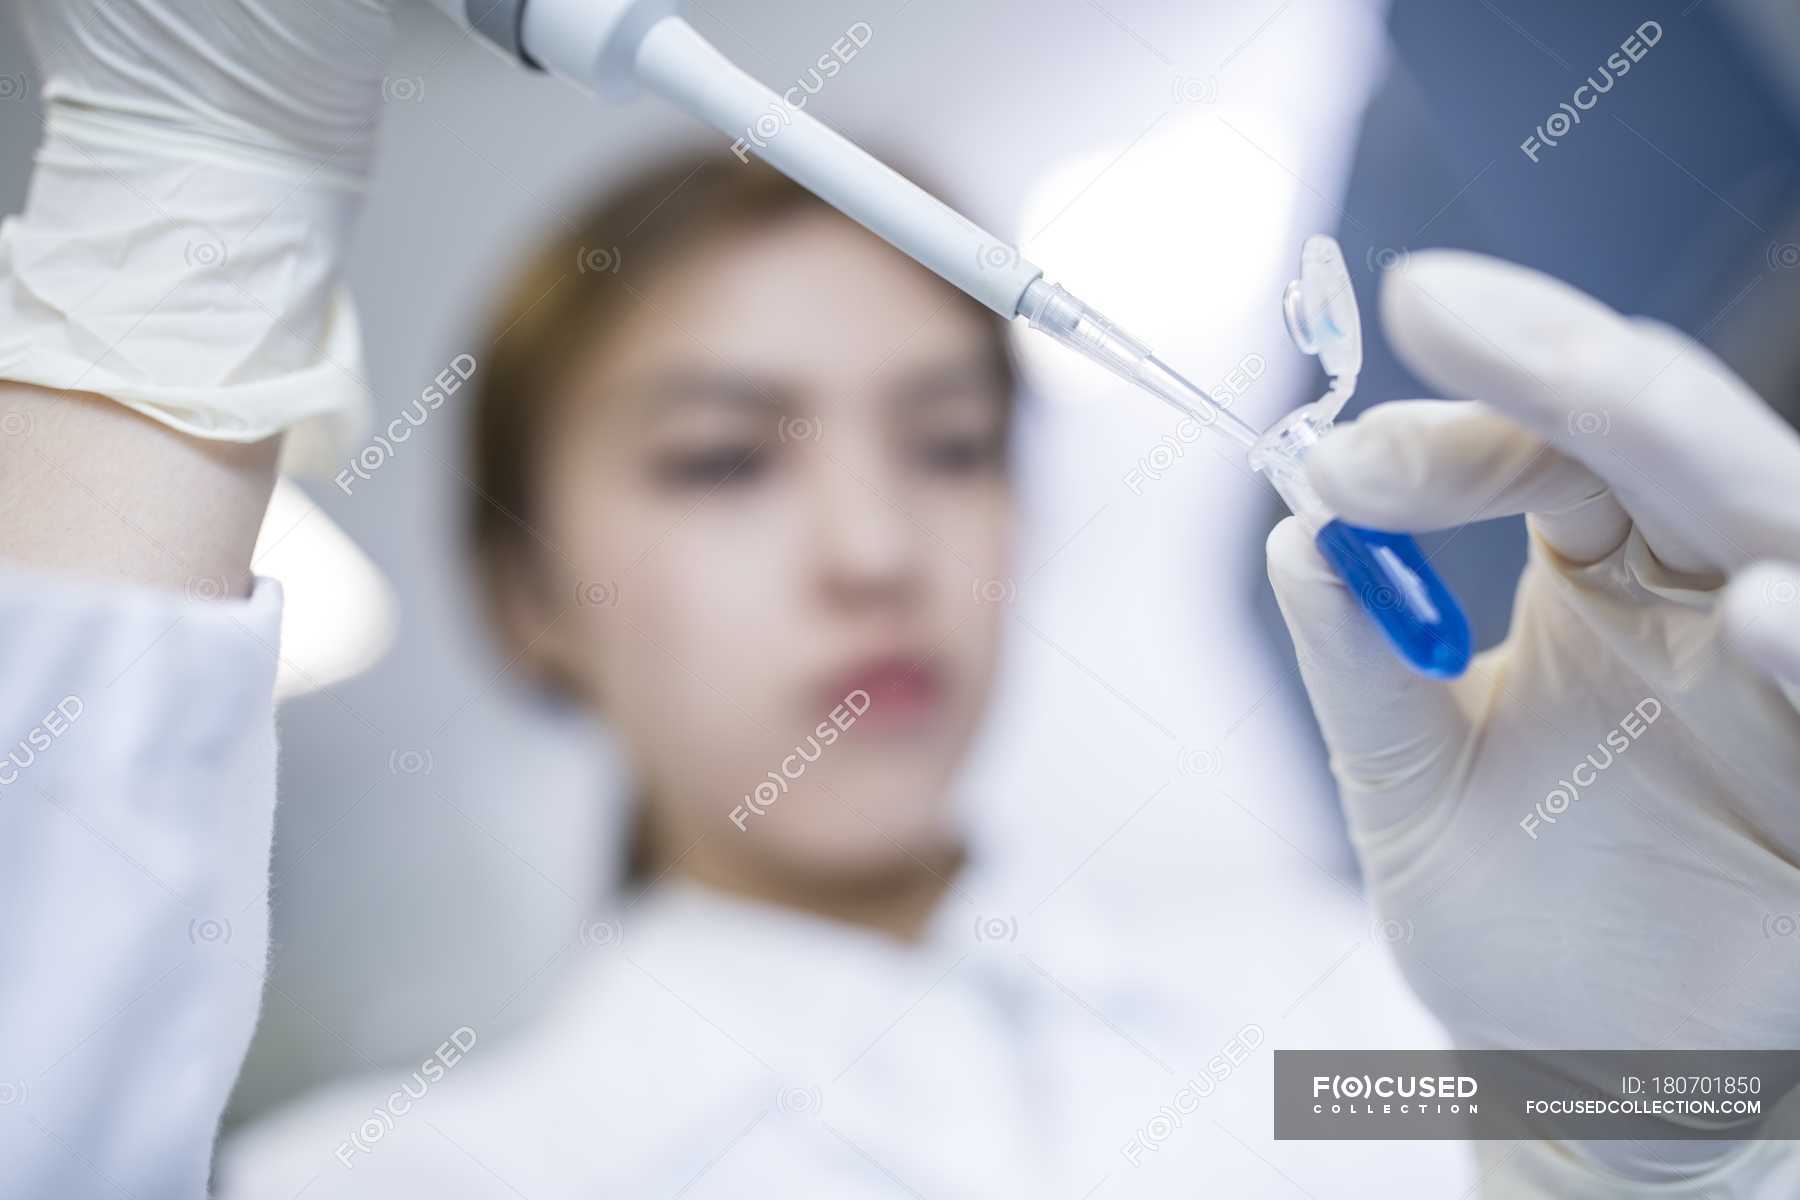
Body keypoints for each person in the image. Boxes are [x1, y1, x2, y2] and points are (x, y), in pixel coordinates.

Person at [1, 3, 1798, 1198]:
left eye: (948, 444)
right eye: (725, 461)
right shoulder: (405, 1175)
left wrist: (1640, 1117)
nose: (875, 548)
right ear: (533, 594)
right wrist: (178, 218)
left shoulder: (1349, 1030)